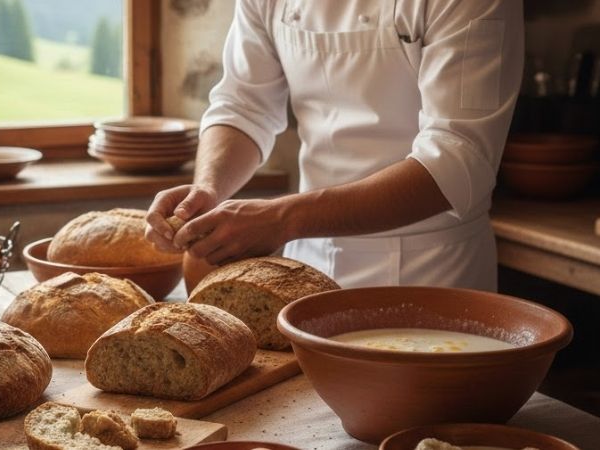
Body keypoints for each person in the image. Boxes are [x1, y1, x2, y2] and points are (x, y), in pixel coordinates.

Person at [145, 0, 523, 291]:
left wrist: (283, 219)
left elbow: (458, 160)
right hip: (305, 265)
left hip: (430, 271)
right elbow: (243, 107)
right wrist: (207, 189)